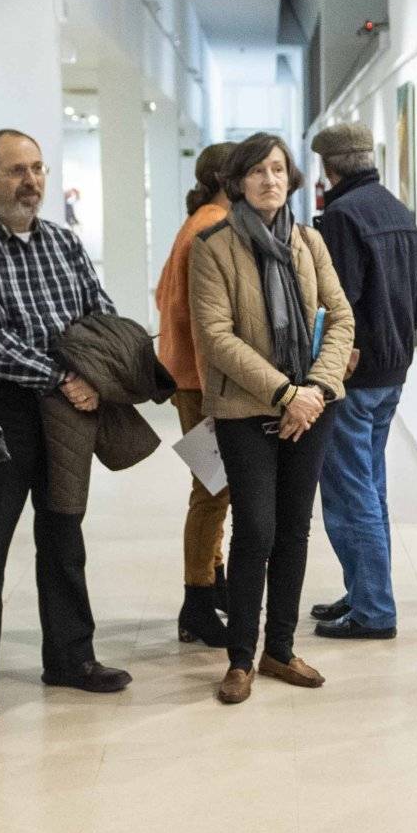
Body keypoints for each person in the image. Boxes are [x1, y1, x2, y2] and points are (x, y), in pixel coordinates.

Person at [0, 129, 129, 724]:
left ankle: (71, 657)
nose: (32, 181)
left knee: (65, 537)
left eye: (39, 168)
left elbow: (101, 314)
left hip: (68, 411)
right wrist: (59, 375)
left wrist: (89, 376)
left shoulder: (64, 244)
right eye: (17, 170)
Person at [188, 134, 356, 702]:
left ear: (292, 178)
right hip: (245, 409)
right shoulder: (212, 246)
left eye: (279, 169)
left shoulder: (310, 241)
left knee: (293, 530)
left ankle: (279, 650)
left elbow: (340, 319)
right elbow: (216, 337)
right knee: (255, 530)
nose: (270, 179)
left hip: (311, 408)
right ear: (237, 181)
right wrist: (287, 393)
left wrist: (313, 390)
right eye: (257, 170)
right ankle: (240, 658)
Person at [305, 121, 417, 641]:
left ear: (329, 167)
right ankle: (364, 591)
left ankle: (373, 608)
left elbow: (341, 303)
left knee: (348, 490)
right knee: (370, 485)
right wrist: (391, 341)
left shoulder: (340, 217)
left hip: (353, 378)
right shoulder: (397, 210)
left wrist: (345, 355)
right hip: (392, 373)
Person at [154, 141, 238, 646]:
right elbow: (203, 323)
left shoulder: (200, 218)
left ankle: (215, 580)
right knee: (212, 492)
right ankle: (197, 601)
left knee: (216, 487)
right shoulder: (210, 225)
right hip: (200, 383)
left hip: (190, 378)